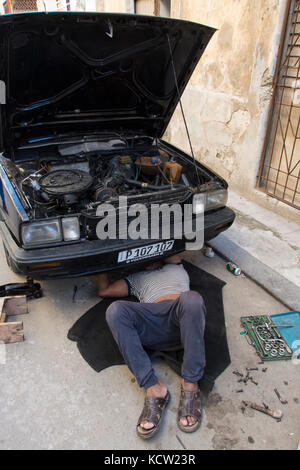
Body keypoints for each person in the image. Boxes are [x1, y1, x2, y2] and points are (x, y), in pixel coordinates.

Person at [97, 254, 206, 439]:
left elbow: (171, 248)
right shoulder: (135, 277)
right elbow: (105, 290)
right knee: (115, 310)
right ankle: (154, 388)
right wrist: (99, 264)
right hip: (152, 325)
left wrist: (156, 250)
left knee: (192, 299)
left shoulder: (176, 266)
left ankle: (190, 384)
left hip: (181, 320)